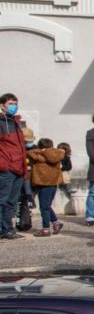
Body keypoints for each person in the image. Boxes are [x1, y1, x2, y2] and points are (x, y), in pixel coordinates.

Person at [26, 138, 65, 237]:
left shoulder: (38, 155)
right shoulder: (58, 154)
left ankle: (46, 229)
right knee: (46, 206)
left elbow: (29, 152)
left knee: (44, 207)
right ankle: (56, 223)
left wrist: (40, 151)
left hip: (43, 184)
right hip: (53, 184)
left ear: (40, 147)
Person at [0, 93, 26, 239]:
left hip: (18, 167)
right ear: (2, 105)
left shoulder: (16, 123)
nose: (14, 106)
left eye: (15, 103)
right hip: (6, 167)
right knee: (2, 200)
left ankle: (8, 229)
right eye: (11, 103)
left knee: (12, 201)